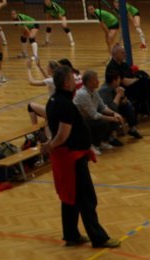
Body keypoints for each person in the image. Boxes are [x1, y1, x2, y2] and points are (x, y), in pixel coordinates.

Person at [43, 65, 121, 249]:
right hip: (72, 158)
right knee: (87, 198)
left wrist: (50, 142)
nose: (75, 81)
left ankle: (71, 235)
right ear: (66, 83)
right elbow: (63, 134)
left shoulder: (52, 100)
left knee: (70, 196)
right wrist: (50, 145)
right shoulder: (65, 104)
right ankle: (99, 238)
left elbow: (49, 126)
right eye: (72, 79)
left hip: (67, 156)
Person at [98, 71, 142, 138]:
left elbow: (116, 103)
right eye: (119, 79)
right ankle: (112, 137)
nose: (120, 80)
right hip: (106, 112)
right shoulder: (105, 90)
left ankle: (132, 129)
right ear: (114, 81)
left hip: (113, 108)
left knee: (127, 105)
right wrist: (119, 95)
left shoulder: (113, 87)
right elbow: (111, 108)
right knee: (117, 112)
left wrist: (122, 101)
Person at [26, 58, 59, 128]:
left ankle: (35, 129)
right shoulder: (58, 78)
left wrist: (28, 69)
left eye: (47, 67)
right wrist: (39, 67)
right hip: (59, 107)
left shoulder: (51, 80)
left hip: (54, 110)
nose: (46, 68)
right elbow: (47, 78)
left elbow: (32, 82)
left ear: (51, 69)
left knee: (30, 106)